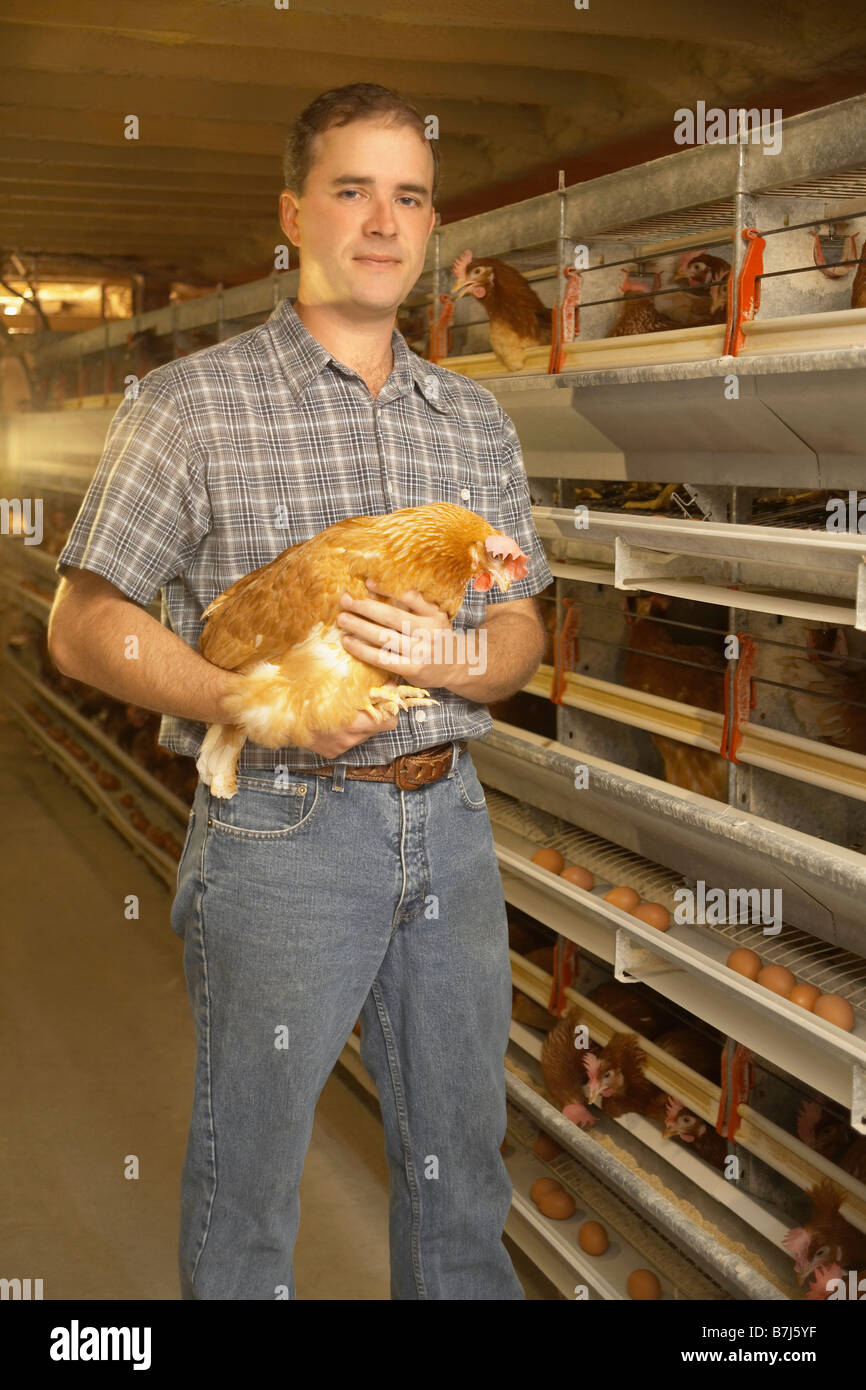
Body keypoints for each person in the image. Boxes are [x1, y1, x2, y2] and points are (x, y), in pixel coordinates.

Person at [48, 81, 554, 1300]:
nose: (382, 223)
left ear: (429, 227)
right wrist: (251, 703)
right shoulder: (187, 407)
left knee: (460, 1174)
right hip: (282, 826)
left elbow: (524, 626)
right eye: (350, 191)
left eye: (409, 197)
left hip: (450, 817)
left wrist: (459, 661)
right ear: (292, 213)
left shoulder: (475, 421)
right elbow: (83, 623)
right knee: (252, 1174)